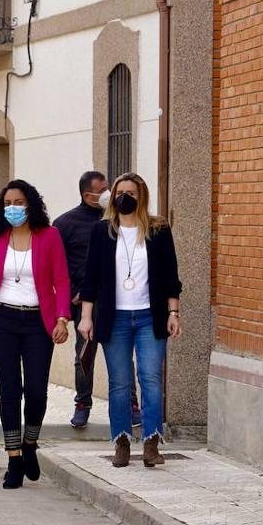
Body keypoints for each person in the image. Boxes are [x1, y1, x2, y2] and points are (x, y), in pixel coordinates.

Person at [78, 172, 183, 468]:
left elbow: (171, 275)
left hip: (151, 316)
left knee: (150, 378)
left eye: (132, 193)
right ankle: (121, 441)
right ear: (113, 197)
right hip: (115, 319)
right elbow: (91, 278)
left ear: (141, 196)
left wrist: (174, 313)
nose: (126, 198)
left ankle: (151, 441)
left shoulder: (158, 229)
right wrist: (86, 317)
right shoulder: (102, 231)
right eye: (120, 192)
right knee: (120, 383)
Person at [0, 179, 71, 489]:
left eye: (18, 202)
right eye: (7, 203)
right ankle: (14, 458)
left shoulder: (49, 236)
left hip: (37, 323)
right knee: (9, 390)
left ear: (30, 204)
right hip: (4, 321)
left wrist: (62, 318)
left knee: (35, 391)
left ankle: (30, 442)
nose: (13, 208)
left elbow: (61, 279)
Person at [53, 170, 140, 429]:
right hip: (83, 303)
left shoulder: (119, 219)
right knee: (84, 355)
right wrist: (73, 296)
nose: (108, 193)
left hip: (117, 300)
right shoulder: (65, 224)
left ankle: (131, 404)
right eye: (102, 189)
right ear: (86, 194)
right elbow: (58, 267)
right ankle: (82, 403)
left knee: (124, 354)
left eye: (109, 187)